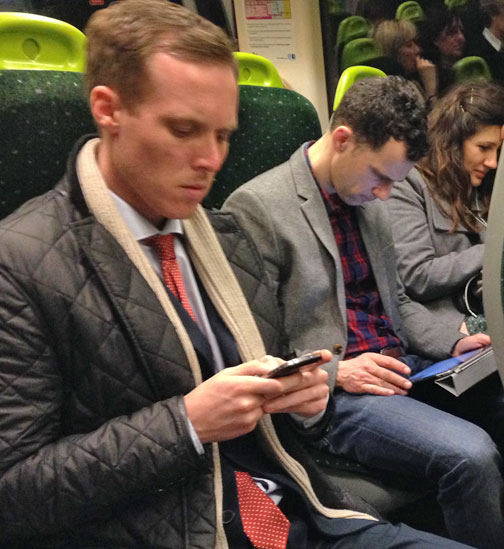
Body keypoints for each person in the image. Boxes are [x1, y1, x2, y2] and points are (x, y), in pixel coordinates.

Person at [0, 1, 465, 547]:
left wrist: (308, 395)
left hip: (295, 504)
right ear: (109, 110)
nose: (210, 159)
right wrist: (187, 424)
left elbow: (271, 391)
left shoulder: (223, 239)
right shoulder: (23, 261)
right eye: (184, 130)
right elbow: (15, 495)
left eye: (223, 135)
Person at [222, 76, 504, 549]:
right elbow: (250, 343)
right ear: (343, 140)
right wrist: (338, 370)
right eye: (379, 178)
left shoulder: (368, 201)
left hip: (398, 367)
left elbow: (396, 301)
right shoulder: (258, 208)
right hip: (335, 394)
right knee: (470, 455)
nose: (383, 195)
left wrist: (453, 340)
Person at [387, 82, 504, 334]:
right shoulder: (409, 184)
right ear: (453, 143)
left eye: (499, 150)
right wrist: (496, 250)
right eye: (484, 148)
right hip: (443, 322)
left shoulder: (489, 184)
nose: (493, 162)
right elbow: (416, 276)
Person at [373, 19, 438, 101]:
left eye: (416, 43)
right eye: (409, 45)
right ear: (392, 52)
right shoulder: (388, 92)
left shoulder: (414, 82)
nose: (418, 50)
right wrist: (430, 88)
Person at [419, 2, 468, 94]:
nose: (461, 38)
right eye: (452, 32)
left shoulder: (473, 66)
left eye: (462, 31)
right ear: (435, 39)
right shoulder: (428, 75)